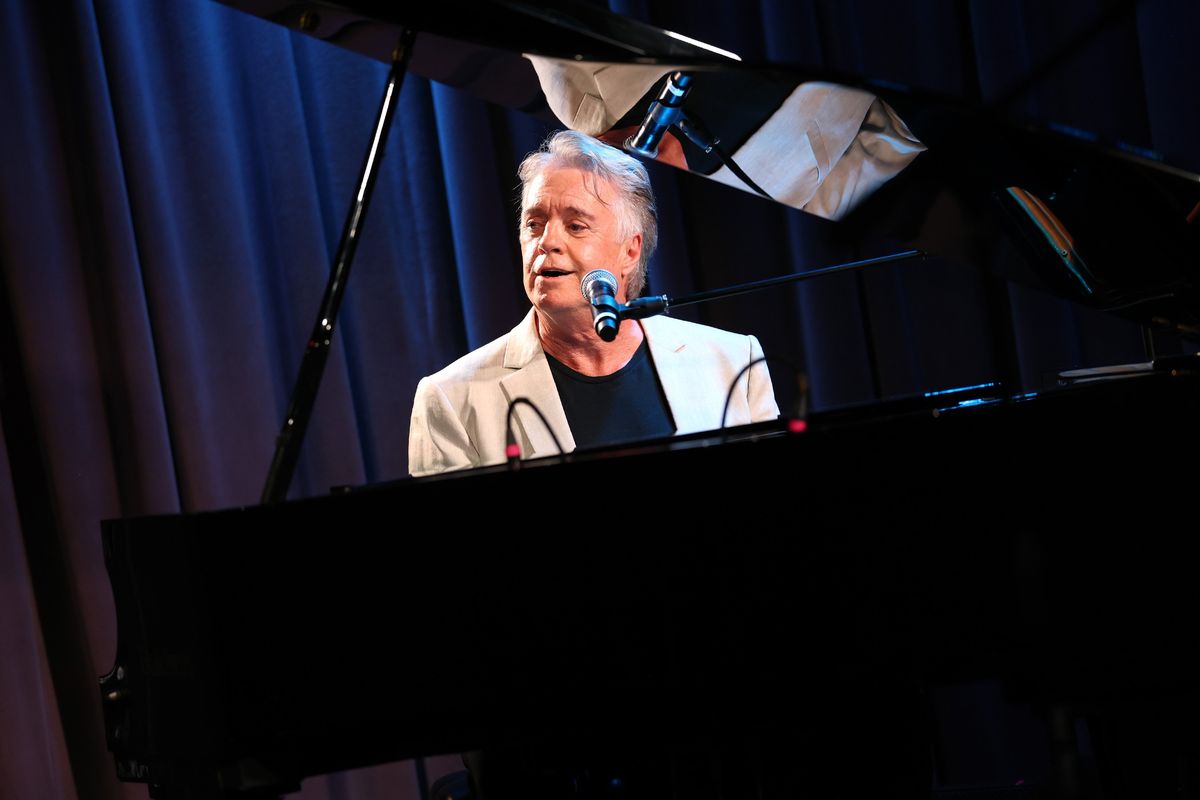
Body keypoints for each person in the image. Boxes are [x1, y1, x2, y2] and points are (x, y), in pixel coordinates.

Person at [408, 130, 779, 477]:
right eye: (534, 224)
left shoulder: (733, 360)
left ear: (630, 250)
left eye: (576, 226)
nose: (547, 242)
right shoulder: (451, 399)